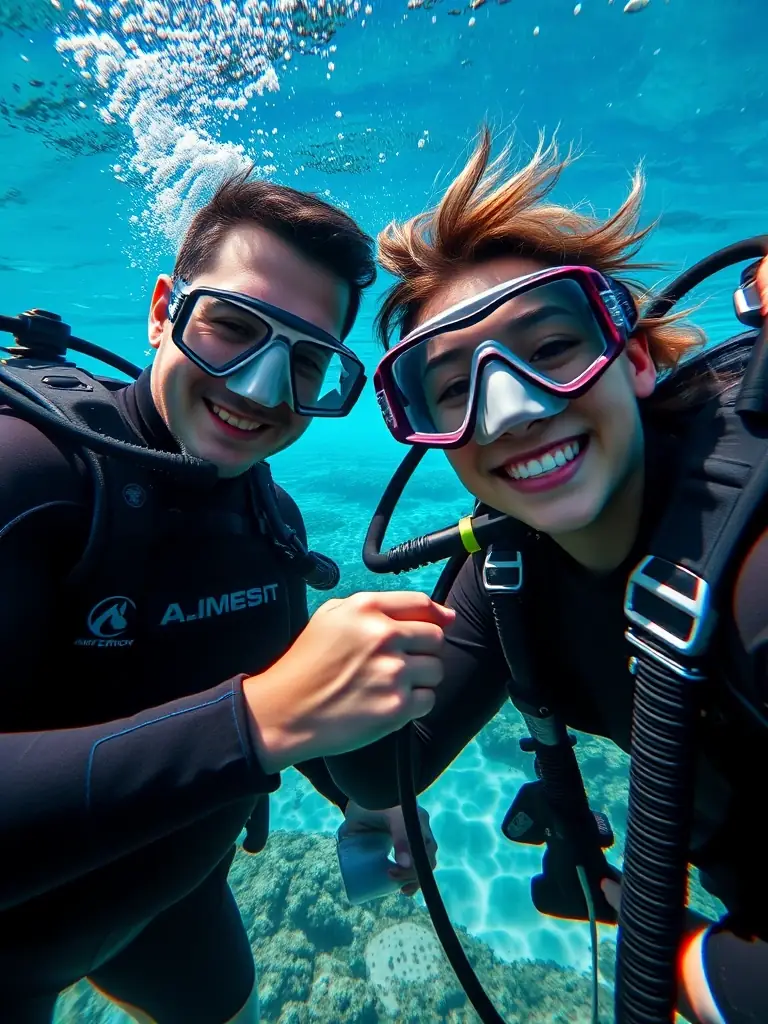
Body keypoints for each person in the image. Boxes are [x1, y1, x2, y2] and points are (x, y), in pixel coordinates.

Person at [326, 127, 768, 1024]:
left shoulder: (756, 576)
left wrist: (666, 945)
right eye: (451, 390)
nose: (513, 411)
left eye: (553, 349)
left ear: (636, 359)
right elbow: (381, 774)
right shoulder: (511, 575)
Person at [0, 166, 447, 1024]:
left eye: (309, 364)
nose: (257, 389)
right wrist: (259, 721)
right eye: (232, 328)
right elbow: (271, 705)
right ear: (164, 308)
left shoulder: (268, 514)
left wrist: (365, 791)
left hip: (177, 907)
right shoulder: (28, 478)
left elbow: (283, 686)